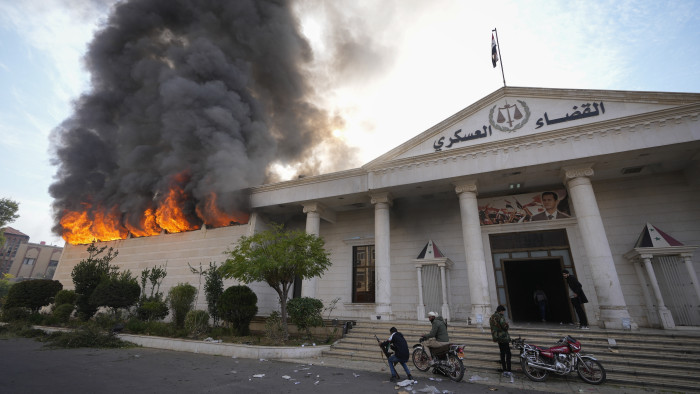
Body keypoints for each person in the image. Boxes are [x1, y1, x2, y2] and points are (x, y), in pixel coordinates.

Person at [489, 305, 512, 376]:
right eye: (503, 311)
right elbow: (504, 327)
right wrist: (507, 324)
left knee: (502, 353)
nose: (504, 313)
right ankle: (508, 369)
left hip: (497, 337)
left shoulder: (492, 317)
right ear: (501, 311)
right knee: (508, 353)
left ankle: (504, 369)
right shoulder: (500, 317)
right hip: (503, 337)